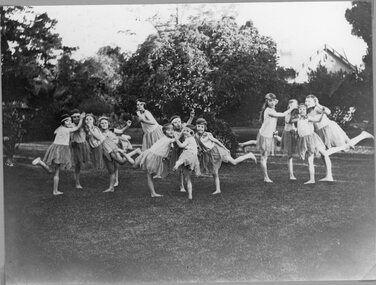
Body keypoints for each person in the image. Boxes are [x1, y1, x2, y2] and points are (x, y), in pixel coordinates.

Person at [240, 93, 296, 183]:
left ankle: (244, 144)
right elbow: (282, 114)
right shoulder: (269, 111)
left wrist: (274, 132)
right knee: (264, 157)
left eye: (274, 100)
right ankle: (266, 177)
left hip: (268, 134)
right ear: (267, 101)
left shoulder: (272, 108)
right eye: (270, 101)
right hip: (265, 135)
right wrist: (292, 108)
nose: (272, 102)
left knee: (259, 145)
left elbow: (273, 122)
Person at [195, 118, 256, 194]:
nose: (200, 128)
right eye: (198, 126)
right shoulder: (196, 136)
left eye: (202, 127)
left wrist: (226, 149)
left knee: (234, 162)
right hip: (209, 154)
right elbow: (199, 145)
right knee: (215, 172)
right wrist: (200, 151)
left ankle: (249, 155)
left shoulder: (208, 134)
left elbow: (217, 141)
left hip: (217, 151)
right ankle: (218, 189)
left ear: (205, 128)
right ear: (196, 127)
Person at [32, 112, 85, 195]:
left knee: (54, 170)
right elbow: (77, 128)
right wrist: (81, 118)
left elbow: (55, 132)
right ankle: (41, 164)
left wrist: (67, 125)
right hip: (61, 150)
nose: (70, 123)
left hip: (55, 148)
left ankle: (55, 190)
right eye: (67, 121)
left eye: (70, 121)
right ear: (63, 122)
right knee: (55, 171)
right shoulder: (67, 129)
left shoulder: (60, 128)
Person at [306, 94, 374, 153]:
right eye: (306, 101)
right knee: (326, 151)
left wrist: (318, 104)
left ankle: (363, 135)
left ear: (314, 102)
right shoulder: (308, 112)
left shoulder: (316, 108)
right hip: (320, 131)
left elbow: (328, 112)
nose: (307, 102)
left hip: (329, 129)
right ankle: (362, 135)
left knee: (344, 147)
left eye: (309, 101)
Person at [291, 103, 333, 184]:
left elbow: (318, 120)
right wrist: (293, 110)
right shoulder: (298, 119)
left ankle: (325, 176)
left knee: (322, 154)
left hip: (312, 139)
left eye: (303, 109)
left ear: (306, 110)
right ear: (298, 110)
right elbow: (291, 120)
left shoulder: (308, 118)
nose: (302, 111)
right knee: (310, 160)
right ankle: (312, 179)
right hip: (303, 140)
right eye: (300, 109)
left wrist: (323, 114)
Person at [97, 116, 140, 193]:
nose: (104, 124)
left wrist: (127, 126)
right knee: (111, 171)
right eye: (102, 123)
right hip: (106, 152)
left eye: (105, 123)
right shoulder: (99, 133)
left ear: (108, 123)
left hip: (114, 150)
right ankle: (111, 188)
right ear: (99, 125)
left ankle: (136, 151)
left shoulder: (112, 130)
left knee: (122, 162)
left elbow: (121, 131)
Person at [134, 123, 176, 197]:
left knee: (139, 167)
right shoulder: (167, 139)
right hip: (153, 156)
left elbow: (167, 150)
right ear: (165, 131)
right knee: (149, 174)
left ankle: (153, 193)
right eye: (168, 130)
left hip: (154, 155)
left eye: (172, 130)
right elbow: (176, 140)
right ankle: (153, 193)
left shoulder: (166, 139)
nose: (171, 131)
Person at [169, 110, 195, 191]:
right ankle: (181, 186)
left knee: (187, 167)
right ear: (172, 125)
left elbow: (188, 123)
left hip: (186, 150)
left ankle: (187, 182)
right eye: (175, 122)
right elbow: (178, 138)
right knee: (180, 170)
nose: (178, 123)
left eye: (179, 121)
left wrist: (191, 117)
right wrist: (183, 131)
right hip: (178, 151)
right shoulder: (174, 132)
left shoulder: (183, 126)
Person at [173, 125, 201, 200]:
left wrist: (176, 138)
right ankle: (190, 195)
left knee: (181, 159)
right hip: (193, 159)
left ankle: (176, 165)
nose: (185, 132)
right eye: (184, 131)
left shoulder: (189, 139)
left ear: (191, 133)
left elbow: (181, 145)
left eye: (187, 131)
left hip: (188, 155)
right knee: (188, 178)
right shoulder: (193, 139)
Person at [70, 109, 91, 189]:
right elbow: (77, 129)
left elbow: (87, 134)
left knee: (80, 163)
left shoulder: (83, 124)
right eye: (74, 117)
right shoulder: (72, 125)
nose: (76, 118)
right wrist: (82, 119)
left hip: (83, 144)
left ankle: (76, 177)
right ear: (72, 118)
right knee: (78, 162)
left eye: (78, 117)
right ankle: (77, 182)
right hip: (76, 145)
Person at [279, 99, 299, 180]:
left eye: (296, 104)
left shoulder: (297, 112)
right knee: (289, 156)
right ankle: (291, 174)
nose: (295, 106)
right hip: (288, 134)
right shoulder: (287, 112)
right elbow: (288, 121)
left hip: (293, 133)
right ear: (290, 105)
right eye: (294, 104)